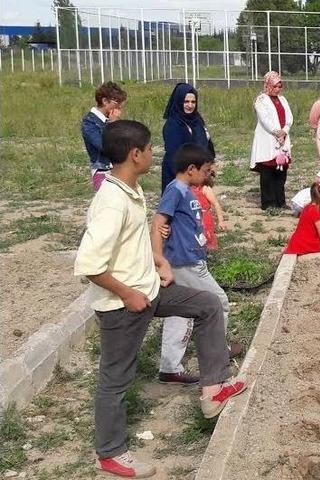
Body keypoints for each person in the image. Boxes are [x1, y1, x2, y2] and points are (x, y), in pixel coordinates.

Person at [74, 121, 245, 478]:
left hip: (150, 287)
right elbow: (89, 264)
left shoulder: (130, 190)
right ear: (135, 154)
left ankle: (212, 388)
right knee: (115, 377)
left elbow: (134, 242)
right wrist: (127, 293)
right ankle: (110, 452)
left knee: (208, 305)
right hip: (125, 303)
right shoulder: (111, 201)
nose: (154, 154)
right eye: (150, 149)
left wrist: (160, 261)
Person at [152, 143, 243, 385]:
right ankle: (217, 352)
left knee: (180, 313)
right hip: (184, 262)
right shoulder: (176, 190)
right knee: (218, 302)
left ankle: (170, 367)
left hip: (191, 259)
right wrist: (160, 259)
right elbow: (159, 221)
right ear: (191, 169)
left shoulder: (186, 190)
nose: (207, 175)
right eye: (205, 170)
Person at [251, 71, 293, 210]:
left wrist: (284, 131)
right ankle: (268, 202)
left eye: (280, 86)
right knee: (267, 172)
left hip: (282, 139)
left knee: (281, 172)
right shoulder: (261, 100)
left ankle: (280, 201)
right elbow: (265, 119)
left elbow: (289, 117)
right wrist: (276, 132)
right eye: (275, 86)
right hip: (268, 139)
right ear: (268, 85)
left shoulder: (283, 99)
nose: (277, 89)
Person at [161, 83, 212, 194]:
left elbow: (207, 142)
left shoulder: (197, 120)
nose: (190, 105)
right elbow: (174, 155)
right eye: (186, 102)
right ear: (179, 101)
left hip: (198, 173)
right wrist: (188, 177)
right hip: (179, 176)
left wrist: (210, 163)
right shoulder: (173, 124)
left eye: (193, 102)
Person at [81, 81, 126, 191]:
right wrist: (113, 124)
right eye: (116, 103)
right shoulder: (90, 122)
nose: (119, 107)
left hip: (117, 169)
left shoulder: (110, 120)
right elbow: (104, 145)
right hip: (103, 170)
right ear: (105, 101)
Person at [283, 182, 320, 255]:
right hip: (306, 245)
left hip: (296, 242)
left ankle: (290, 249)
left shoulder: (307, 207)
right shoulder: (316, 212)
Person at [193, 166, 226, 252]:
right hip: (193, 216)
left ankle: (207, 253)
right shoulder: (189, 188)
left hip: (204, 218)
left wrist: (221, 220)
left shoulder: (205, 188)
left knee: (206, 235)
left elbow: (216, 204)